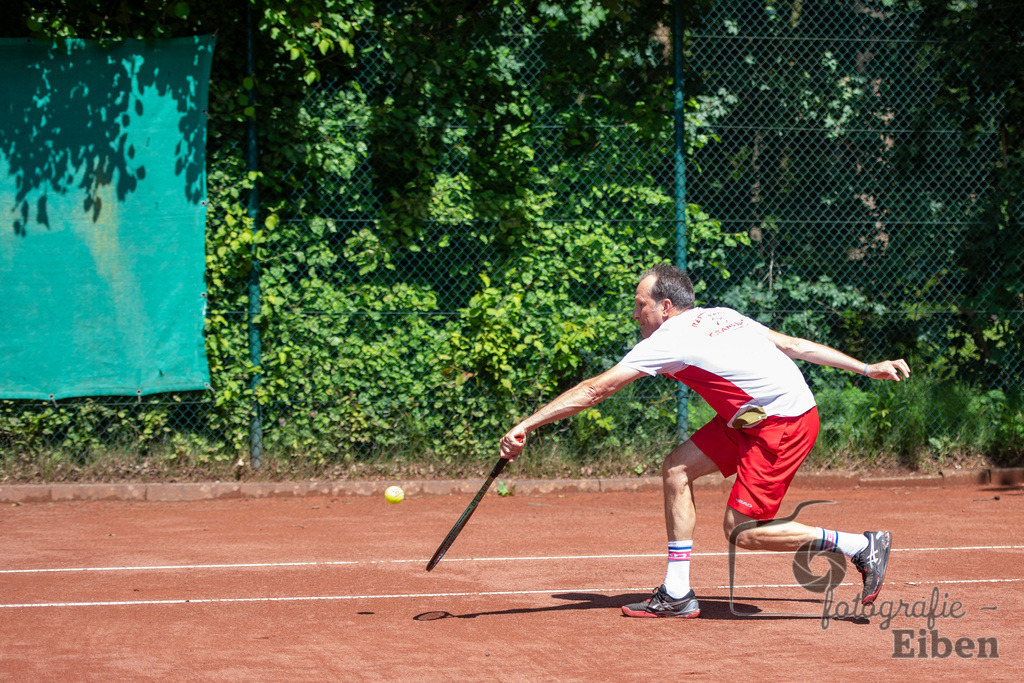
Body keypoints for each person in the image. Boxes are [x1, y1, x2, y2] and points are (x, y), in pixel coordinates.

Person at [499, 263, 910, 618]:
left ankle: (859, 545)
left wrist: (527, 425)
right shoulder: (720, 314)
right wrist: (865, 367)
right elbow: (793, 345)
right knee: (677, 468)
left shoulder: (670, 338)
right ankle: (677, 594)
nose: (635, 315)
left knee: (743, 532)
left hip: (783, 421)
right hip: (752, 416)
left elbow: (594, 391)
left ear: (665, 306)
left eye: (640, 305)